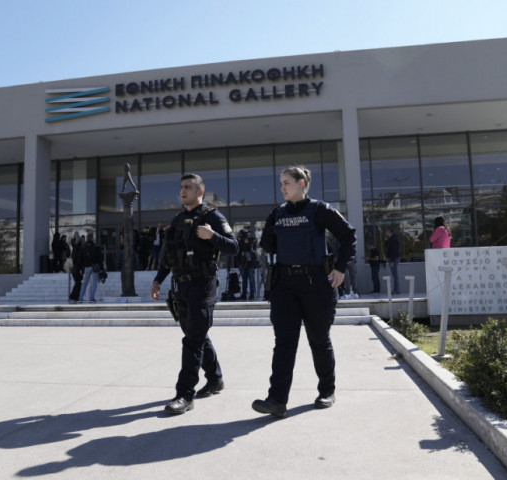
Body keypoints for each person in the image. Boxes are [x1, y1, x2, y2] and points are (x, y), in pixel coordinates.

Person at [252, 166, 356, 418]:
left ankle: (326, 391)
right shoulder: (277, 213)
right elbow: (266, 244)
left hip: (316, 284)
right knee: (284, 343)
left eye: (287, 182)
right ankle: (277, 400)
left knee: (319, 341)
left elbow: (348, 235)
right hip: (284, 285)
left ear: (301, 183)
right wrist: (270, 227)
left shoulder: (320, 210)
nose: (282, 188)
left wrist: (340, 269)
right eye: (280, 184)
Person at [149, 173, 238, 415]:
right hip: (181, 287)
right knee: (196, 336)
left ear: (200, 191)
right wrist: (158, 281)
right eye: (181, 187)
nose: (182, 191)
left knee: (192, 340)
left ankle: (184, 394)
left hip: (203, 285)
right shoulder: (177, 220)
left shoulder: (212, 217)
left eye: (188, 187)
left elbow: (234, 246)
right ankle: (215, 378)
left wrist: (212, 236)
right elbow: (169, 256)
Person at [77, 233, 104, 303]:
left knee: (85, 283)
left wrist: (80, 268)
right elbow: (100, 258)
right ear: (92, 238)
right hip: (95, 267)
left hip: (86, 267)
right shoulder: (96, 246)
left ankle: (80, 298)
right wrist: (101, 268)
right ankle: (92, 298)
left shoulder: (83, 247)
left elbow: (80, 258)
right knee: (94, 283)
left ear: (87, 238)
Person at [237, 228, 258, 300]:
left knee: (252, 280)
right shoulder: (240, 242)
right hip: (243, 263)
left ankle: (252, 294)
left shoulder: (252, 240)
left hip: (251, 263)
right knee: (244, 280)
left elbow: (253, 249)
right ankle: (244, 294)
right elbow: (238, 252)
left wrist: (248, 243)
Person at [385, 227, 400, 295]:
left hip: (393, 258)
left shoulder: (393, 239)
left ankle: (396, 290)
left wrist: (392, 261)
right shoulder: (391, 239)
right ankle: (396, 289)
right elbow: (388, 247)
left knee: (395, 274)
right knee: (394, 274)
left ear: (389, 232)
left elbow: (394, 250)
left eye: (386, 231)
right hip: (392, 258)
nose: (386, 233)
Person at [68, 233, 82, 303]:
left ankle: (74, 296)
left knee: (77, 283)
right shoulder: (78, 248)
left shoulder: (74, 249)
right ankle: (73, 296)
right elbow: (79, 259)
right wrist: (81, 268)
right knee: (78, 283)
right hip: (77, 268)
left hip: (74, 268)